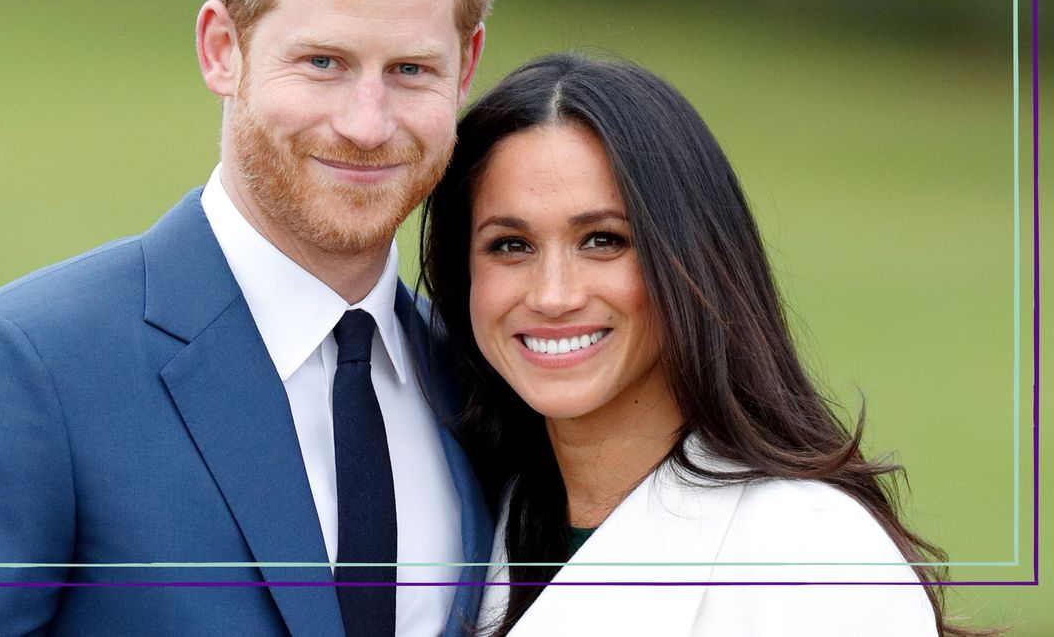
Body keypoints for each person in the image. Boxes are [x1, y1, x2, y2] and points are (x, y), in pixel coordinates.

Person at [0, 0, 494, 637]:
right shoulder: (26, 371)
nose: (367, 123)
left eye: (410, 70)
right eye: (323, 62)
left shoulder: (482, 386)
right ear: (223, 49)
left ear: (465, 67)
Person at [420, 53, 985, 636]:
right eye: (511, 246)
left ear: (690, 260)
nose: (553, 295)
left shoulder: (813, 556)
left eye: (603, 240)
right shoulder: (476, 520)